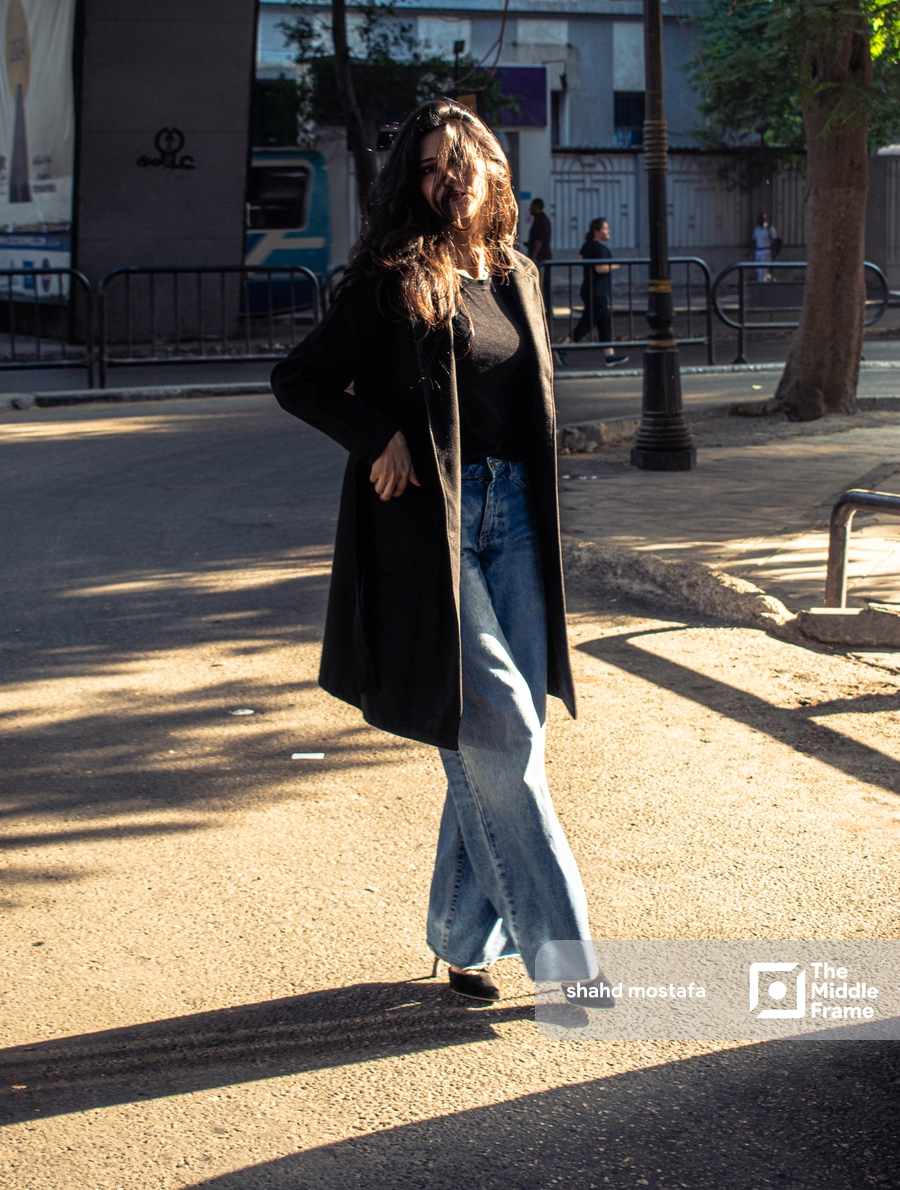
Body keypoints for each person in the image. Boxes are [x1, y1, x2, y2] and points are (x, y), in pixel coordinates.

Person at [271, 99, 598, 1002]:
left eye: (461, 160)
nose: (447, 178)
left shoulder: (519, 273)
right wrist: (378, 434)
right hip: (431, 532)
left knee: (496, 747)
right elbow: (298, 377)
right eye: (427, 167)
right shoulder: (393, 279)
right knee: (502, 732)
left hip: (518, 521)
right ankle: (571, 967)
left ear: (492, 166)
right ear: (411, 185)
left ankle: (460, 936)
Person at [560, 217, 628, 367]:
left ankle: (610, 355)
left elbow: (580, 259)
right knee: (588, 323)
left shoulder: (588, 245)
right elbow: (600, 268)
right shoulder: (600, 248)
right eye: (605, 229)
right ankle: (563, 348)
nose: (608, 231)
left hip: (589, 288)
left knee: (604, 322)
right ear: (597, 232)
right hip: (597, 291)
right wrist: (615, 265)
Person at [526, 197, 554, 313]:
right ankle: (546, 308)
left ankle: (544, 309)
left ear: (538, 207)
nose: (530, 208)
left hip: (541, 258)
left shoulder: (540, 221)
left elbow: (539, 241)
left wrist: (534, 256)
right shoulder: (541, 220)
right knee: (544, 285)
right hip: (542, 257)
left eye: (532, 206)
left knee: (541, 285)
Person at [752, 213, 778, 282]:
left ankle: (760, 284)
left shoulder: (769, 228)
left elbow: (775, 239)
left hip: (766, 251)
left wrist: (774, 251)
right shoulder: (756, 229)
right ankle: (767, 281)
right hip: (758, 251)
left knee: (762, 270)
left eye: (762, 219)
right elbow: (754, 239)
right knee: (757, 270)